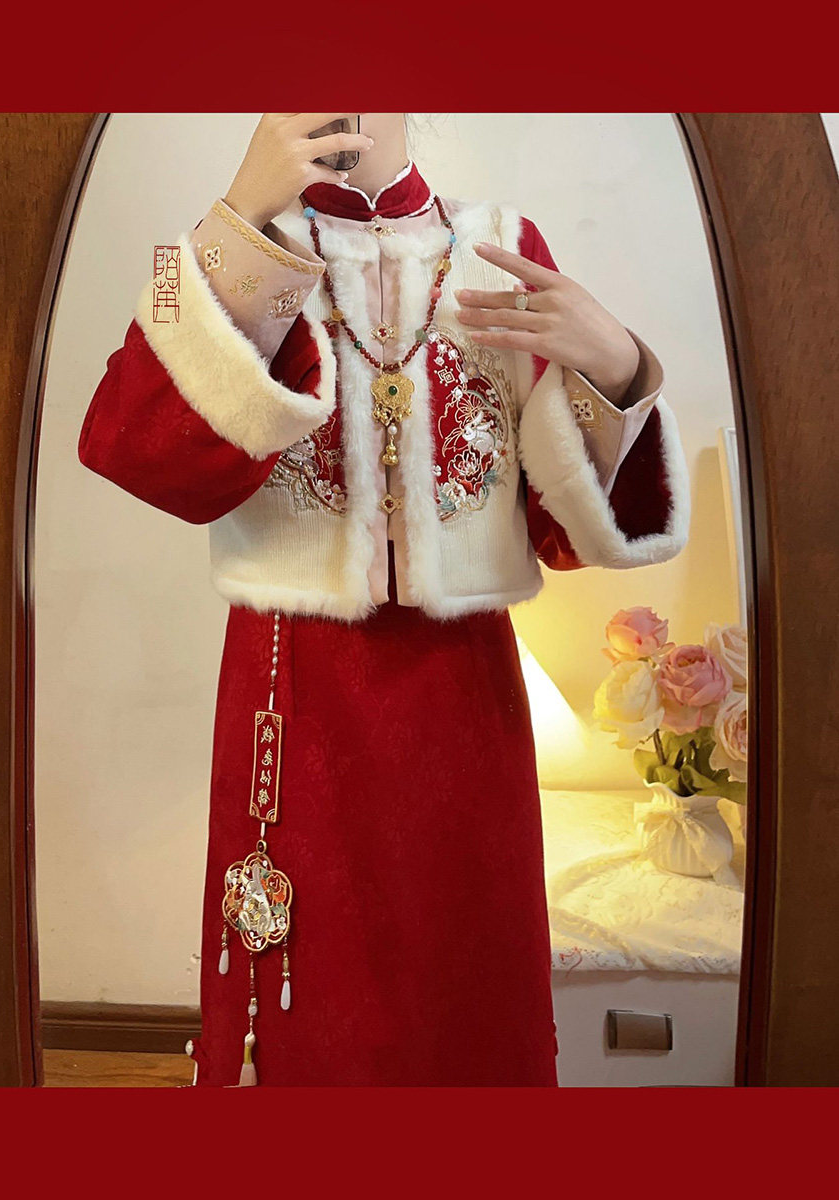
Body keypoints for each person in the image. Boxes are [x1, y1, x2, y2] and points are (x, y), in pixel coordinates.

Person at [78, 112, 690, 1086]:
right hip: (292, 699)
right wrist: (240, 216)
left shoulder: (506, 245)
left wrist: (619, 369)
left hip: (465, 702)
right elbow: (127, 442)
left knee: (468, 989)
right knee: (308, 1012)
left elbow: (564, 529)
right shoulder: (199, 252)